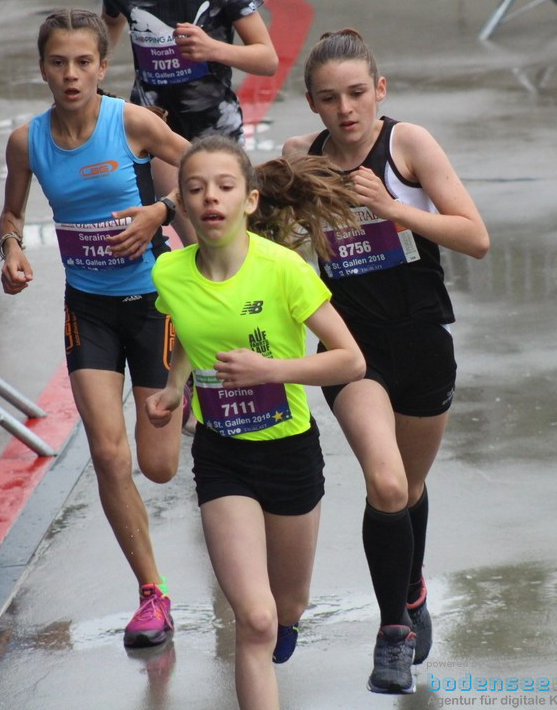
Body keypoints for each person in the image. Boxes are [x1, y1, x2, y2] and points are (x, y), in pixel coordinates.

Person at [282, 28, 490, 694]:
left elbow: (475, 237)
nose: (345, 110)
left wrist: (392, 207)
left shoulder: (408, 145)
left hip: (423, 342)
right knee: (388, 484)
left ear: (380, 90)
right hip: (353, 351)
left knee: (411, 486)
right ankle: (393, 632)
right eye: (328, 98)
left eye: (355, 94)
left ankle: (412, 583)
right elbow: (261, 227)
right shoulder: (300, 157)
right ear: (311, 104)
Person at [145, 133, 365, 710]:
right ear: (184, 204)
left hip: (289, 452)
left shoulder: (284, 269)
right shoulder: (170, 274)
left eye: (224, 187)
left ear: (249, 200)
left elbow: (350, 359)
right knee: (256, 618)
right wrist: (173, 389)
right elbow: (190, 340)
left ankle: (287, 621)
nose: (210, 198)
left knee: (287, 606)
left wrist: (271, 370)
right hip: (223, 459)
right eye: (196, 189)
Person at [0, 8, 190, 649]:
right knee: (110, 455)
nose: (71, 74)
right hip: (89, 310)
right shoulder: (28, 141)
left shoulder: (130, 122)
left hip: (153, 304)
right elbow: (11, 213)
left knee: (159, 467)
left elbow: (210, 171)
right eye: (59, 62)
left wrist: (158, 210)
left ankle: (187, 381)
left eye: (84, 61)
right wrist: (12, 251)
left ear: (103, 67)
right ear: (43, 67)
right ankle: (152, 596)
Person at [100, 0, 278, 244]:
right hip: (156, 129)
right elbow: (112, 20)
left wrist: (212, 48)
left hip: (216, 131)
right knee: (194, 242)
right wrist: (93, 65)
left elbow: (267, 59)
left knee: (226, 240)